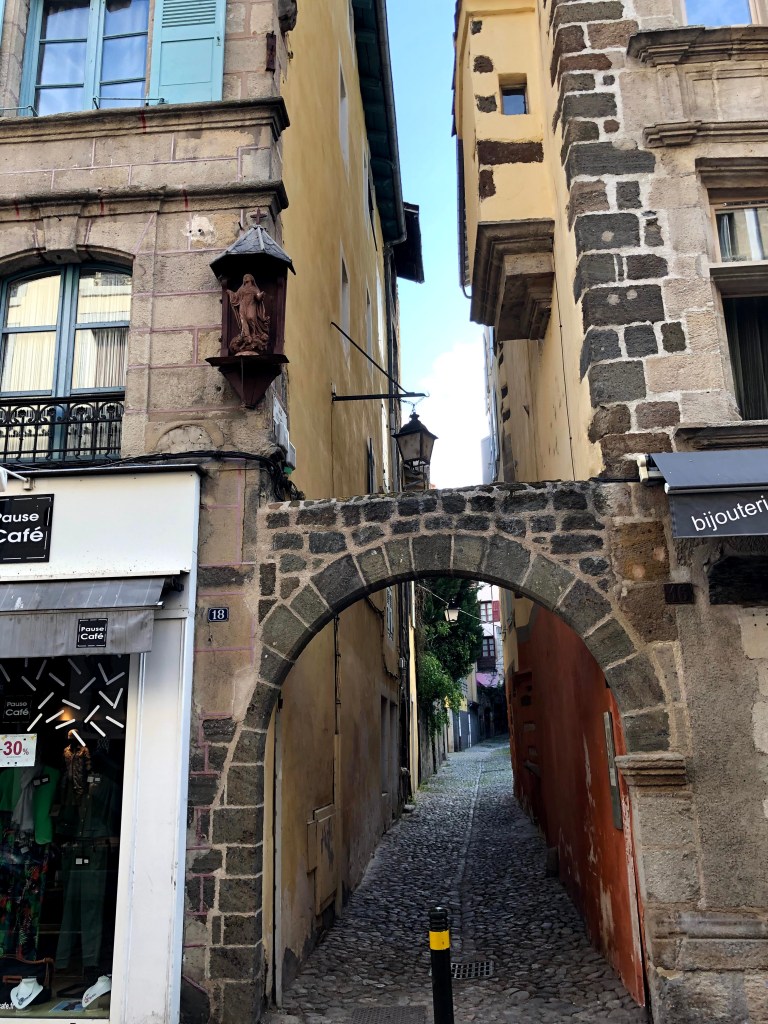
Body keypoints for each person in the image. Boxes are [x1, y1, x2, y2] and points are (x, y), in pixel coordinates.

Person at [227, 274, 270, 354]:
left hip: (251, 305)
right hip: (243, 305)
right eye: (244, 277)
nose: (245, 278)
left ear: (251, 279)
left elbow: (258, 297)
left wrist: (261, 295)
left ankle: (254, 333)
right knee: (243, 320)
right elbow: (236, 296)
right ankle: (247, 335)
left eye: (247, 277)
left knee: (251, 317)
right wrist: (230, 293)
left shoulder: (254, 288)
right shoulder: (242, 288)